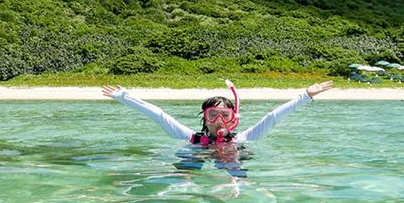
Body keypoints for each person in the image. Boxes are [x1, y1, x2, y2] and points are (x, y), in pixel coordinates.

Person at [102, 80, 334, 145]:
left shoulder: (245, 138)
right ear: (205, 118)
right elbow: (159, 115)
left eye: (225, 115)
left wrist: (306, 95)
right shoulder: (191, 138)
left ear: (234, 119)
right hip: (195, 160)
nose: (219, 120)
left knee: (237, 179)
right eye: (213, 115)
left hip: (233, 167)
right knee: (184, 176)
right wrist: (124, 97)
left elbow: (272, 117)